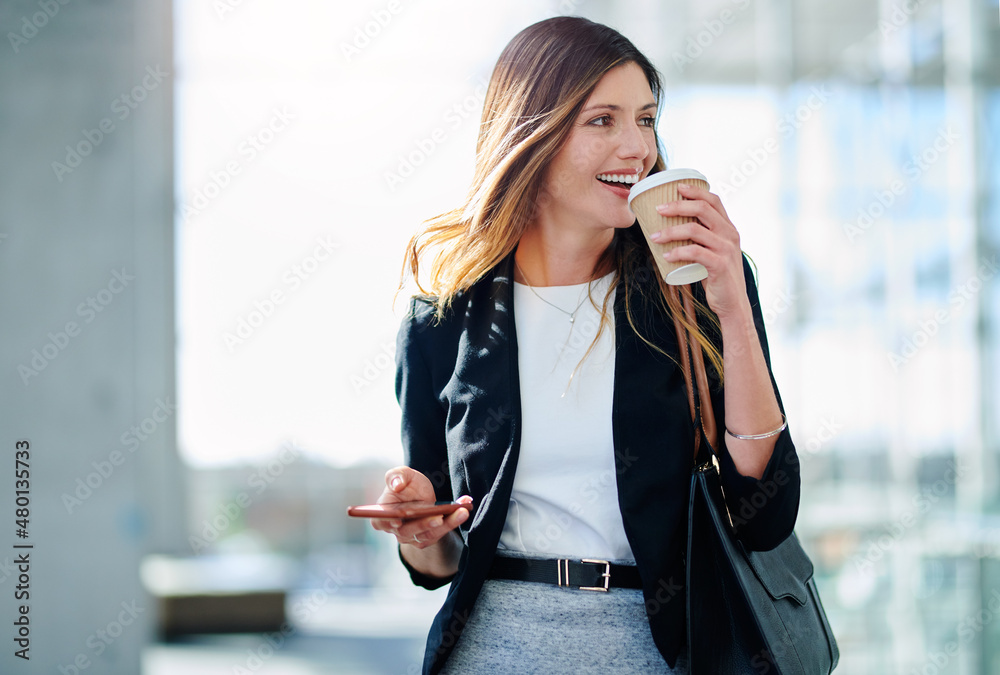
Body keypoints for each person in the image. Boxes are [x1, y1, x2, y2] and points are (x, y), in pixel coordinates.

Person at [371, 15, 800, 675]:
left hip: (655, 648)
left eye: (647, 119)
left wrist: (733, 304)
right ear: (532, 135)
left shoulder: (690, 291)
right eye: (603, 121)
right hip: (491, 651)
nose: (637, 147)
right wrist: (418, 529)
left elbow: (763, 514)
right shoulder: (443, 315)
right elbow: (438, 561)